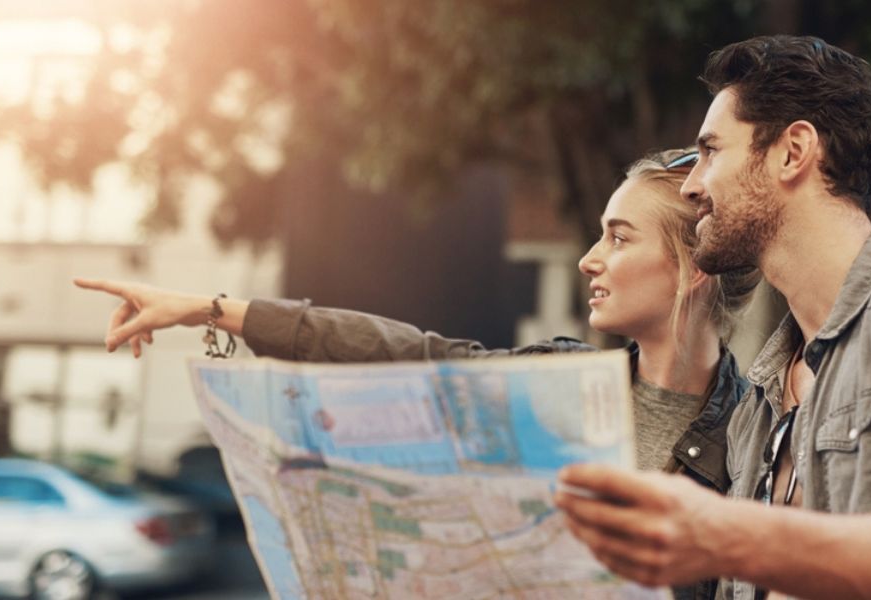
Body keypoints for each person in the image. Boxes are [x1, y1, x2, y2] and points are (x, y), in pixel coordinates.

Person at [76, 148, 759, 600]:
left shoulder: (759, 436)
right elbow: (401, 353)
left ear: (696, 266)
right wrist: (212, 309)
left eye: (618, 236)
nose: (588, 259)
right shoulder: (556, 383)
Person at [555, 35, 871, 600]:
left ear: (792, 151)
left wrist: (724, 534)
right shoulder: (759, 402)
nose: (691, 184)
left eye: (710, 152)